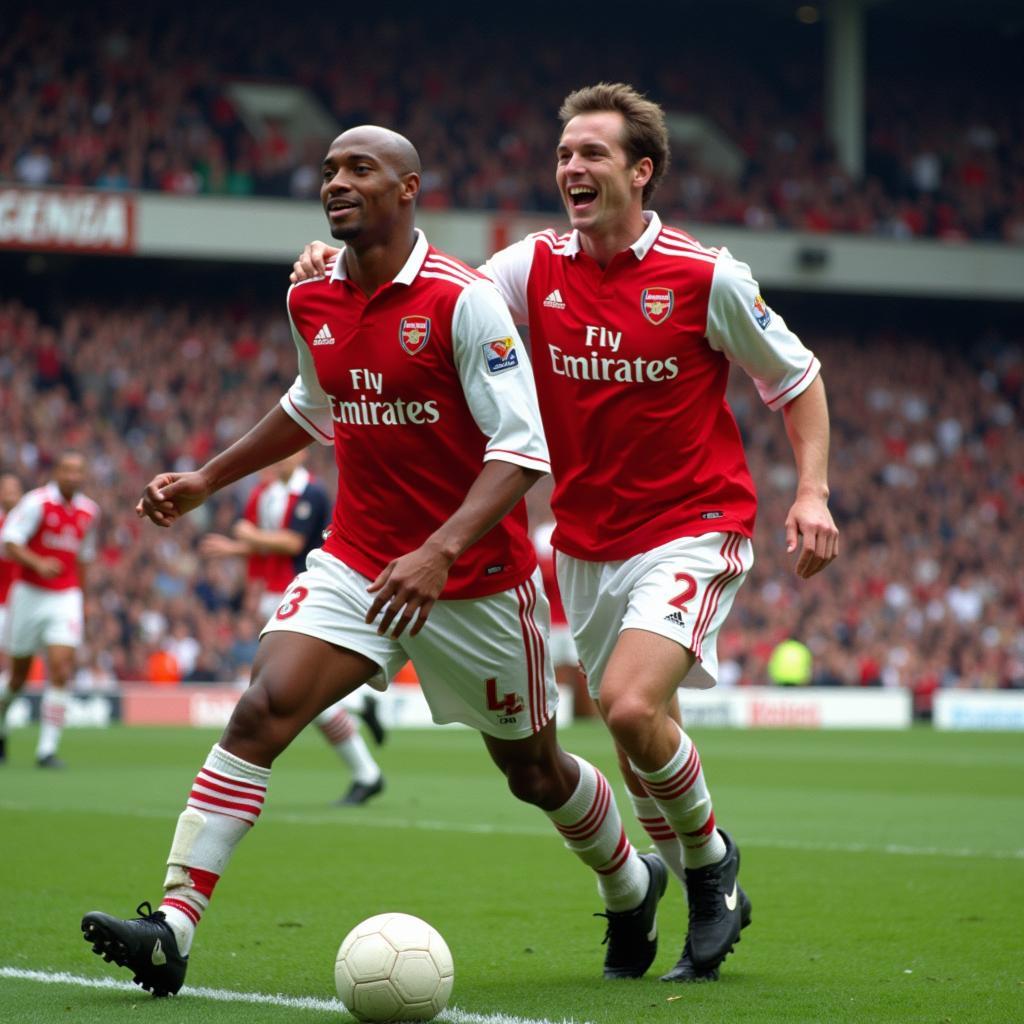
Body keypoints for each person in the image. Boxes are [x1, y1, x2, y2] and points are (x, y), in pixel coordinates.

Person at [81, 125, 668, 999]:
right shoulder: (311, 296)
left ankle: (632, 883)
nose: (337, 183)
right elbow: (309, 405)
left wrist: (438, 551)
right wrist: (208, 476)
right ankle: (172, 926)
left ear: (409, 189)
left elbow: (523, 450)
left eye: (361, 168)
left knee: (532, 771)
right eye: (328, 171)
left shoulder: (465, 302)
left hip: (474, 583)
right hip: (359, 563)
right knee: (262, 710)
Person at [293, 82, 839, 982]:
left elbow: (798, 379)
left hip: (694, 526)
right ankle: (676, 879)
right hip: (584, 545)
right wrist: (342, 259)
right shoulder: (527, 269)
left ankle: (710, 868)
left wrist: (811, 492)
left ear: (642, 170)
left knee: (627, 704)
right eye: (563, 155)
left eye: (592, 153)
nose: (571, 168)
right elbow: (431, 282)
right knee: (634, 735)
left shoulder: (707, 277)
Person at [201, 450, 387, 805]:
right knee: (299, 691)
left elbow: (292, 544)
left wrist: (252, 540)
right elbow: (253, 534)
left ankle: (368, 770)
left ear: (301, 454)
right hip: (275, 593)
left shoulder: (312, 493)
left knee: (296, 690)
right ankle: (363, 712)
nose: (279, 459)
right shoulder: (266, 492)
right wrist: (240, 548)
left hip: (308, 590)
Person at [0, 453, 99, 768]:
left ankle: (47, 750)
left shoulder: (89, 511)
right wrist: (38, 563)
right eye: (67, 470)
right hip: (28, 594)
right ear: (57, 472)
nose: (73, 476)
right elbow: (10, 540)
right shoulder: (36, 502)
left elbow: (83, 556)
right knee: (18, 676)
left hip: (65, 596)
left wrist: (83, 598)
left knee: (61, 668)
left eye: (78, 470)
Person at [0, 472, 25, 762]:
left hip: (19, 606)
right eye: (6, 488)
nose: (11, 493)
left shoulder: (28, 522)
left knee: (13, 675)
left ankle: (2, 728)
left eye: (15, 488)